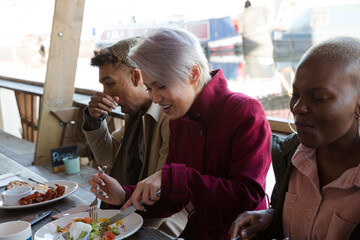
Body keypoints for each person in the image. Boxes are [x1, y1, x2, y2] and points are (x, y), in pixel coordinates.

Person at [89, 27, 271, 240]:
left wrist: (176, 178)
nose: (155, 98)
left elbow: (248, 197)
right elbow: (174, 199)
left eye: (161, 86)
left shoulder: (245, 110)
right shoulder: (179, 117)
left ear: (193, 74)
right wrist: (124, 195)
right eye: (149, 88)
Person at [229, 36, 360, 240]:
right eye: (295, 95)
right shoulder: (291, 156)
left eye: (318, 98)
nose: (298, 107)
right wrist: (272, 218)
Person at [82, 37, 187, 237]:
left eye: (110, 83)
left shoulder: (169, 117)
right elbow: (108, 157)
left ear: (137, 77)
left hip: (163, 225)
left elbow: (162, 189)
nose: (105, 93)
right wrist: (95, 121)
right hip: (131, 212)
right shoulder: (136, 114)